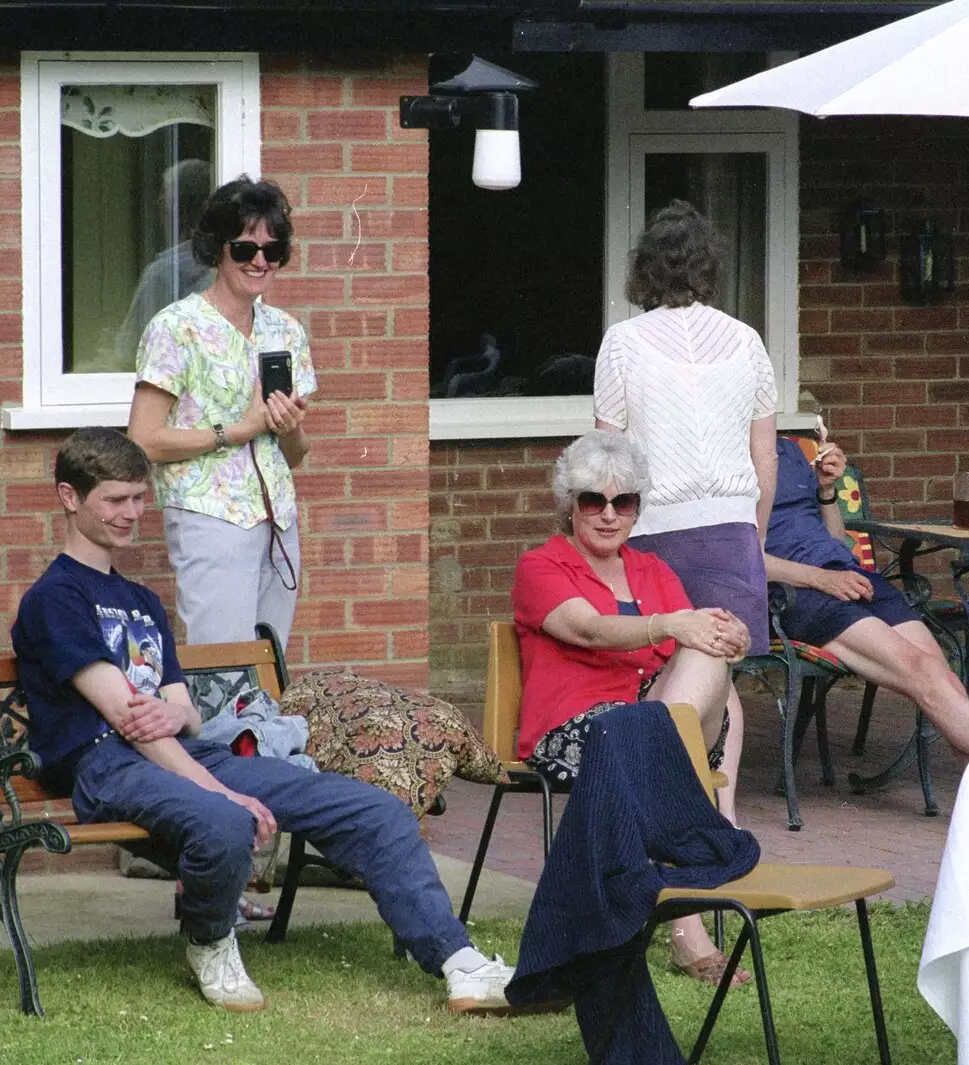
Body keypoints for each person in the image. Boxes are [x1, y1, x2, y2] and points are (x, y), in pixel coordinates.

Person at [11, 428, 514, 1014]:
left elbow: (184, 711)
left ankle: (458, 962)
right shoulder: (55, 599)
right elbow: (130, 722)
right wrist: (218, 784)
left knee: (371, 807)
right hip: (106, 769)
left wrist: (179, 718)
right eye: (115, 500)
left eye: (139, 499)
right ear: (70, 497)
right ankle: (209, 940)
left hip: (181, 754)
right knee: (223, 819)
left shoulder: (141, 601)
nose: (132, 514)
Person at [512, 430, 753, 988]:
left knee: (710, 661)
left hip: (655, 724)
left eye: (624, 502)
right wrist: (672, 624)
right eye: (592, 500)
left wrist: (726, 634)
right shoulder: (541, 566)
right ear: (568, 504)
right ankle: (694, 913)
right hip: (578, 733)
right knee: (668, 723)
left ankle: (713, 823)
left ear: (638, 508)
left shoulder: (653, 570)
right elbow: (590, 629)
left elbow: (696, 651)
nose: (608, 515)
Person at [127, 175, 313, 647]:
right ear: (216, 248)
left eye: (272, 251)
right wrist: (236, 430)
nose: (259, 261)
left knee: (272, 665)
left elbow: (293, 453)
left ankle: (263, 727)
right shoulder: (177, 327)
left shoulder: (286, 332)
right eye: (245, 248)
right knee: (222, 666)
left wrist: (287, 428)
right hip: (209, 518)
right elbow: (143, 440)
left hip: (278, 521)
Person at [592, 198, 778, 657]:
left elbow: (606, 457)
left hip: (652, 536)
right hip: (733, 531)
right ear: (710, 267)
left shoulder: (623, 342)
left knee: (663, 670)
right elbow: (766, 456)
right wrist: (755, 534)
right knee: (720, 672)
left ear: (646, 269)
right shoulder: (747, 340)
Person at [762, 436, 969, 755]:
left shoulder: (791, 450)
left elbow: (838, 540)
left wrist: (825, 491)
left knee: (944, 679)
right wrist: (822, 579)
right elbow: (743, 560)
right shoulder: (725, 462)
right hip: (795, 591)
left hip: (846, 575)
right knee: (924, 674)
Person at [114, 158, 216, 368]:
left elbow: (127, 354)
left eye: (164, 199)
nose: (158, 205)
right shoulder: (224, 266)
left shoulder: (162, 273)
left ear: (180, 208)